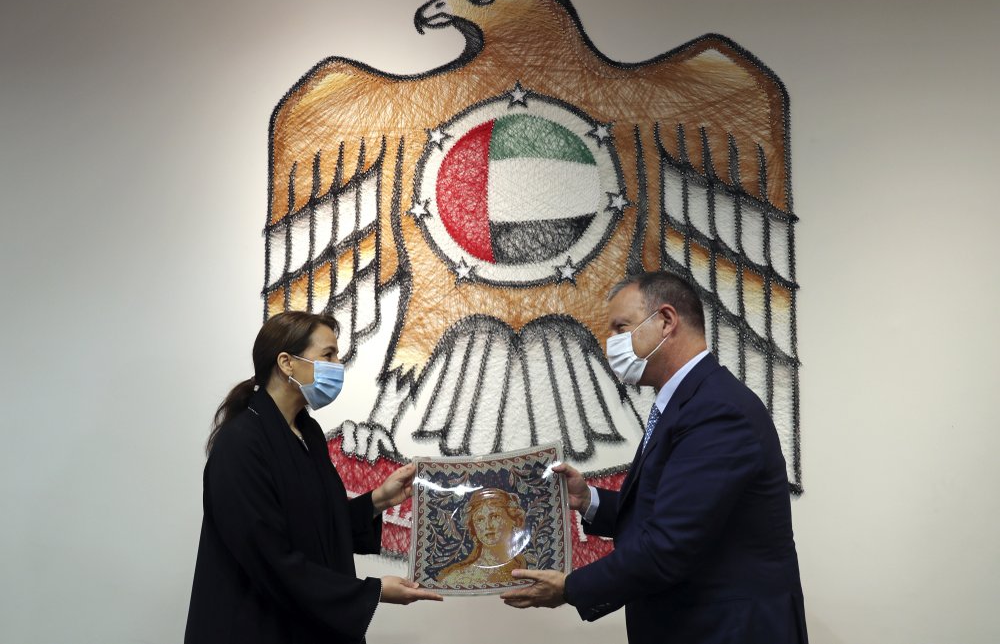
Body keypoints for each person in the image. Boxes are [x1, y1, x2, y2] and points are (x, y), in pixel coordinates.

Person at [501, 271, 808, 644]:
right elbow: (670, 510)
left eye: (621, 327)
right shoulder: (689, 402)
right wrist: (588, 499)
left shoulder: (717, 410)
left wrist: (571, 588)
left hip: (727, 630)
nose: (610, 343)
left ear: (665, 321)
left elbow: (669, 544)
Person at [185, 311, 441, 644]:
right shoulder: (241, 444)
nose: (338, 365)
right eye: (328, 355)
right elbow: (269, 557)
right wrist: (372, 591)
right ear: (286, 363)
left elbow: (317, 527)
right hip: (257, 628)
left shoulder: (307, 432)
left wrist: (379, 500)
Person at [437, 488, 527, 586]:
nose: (488, 526)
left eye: (495, 516)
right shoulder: (456, 579)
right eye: (480, 519)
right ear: (473, 527)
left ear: (514, 521)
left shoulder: (527, 569)